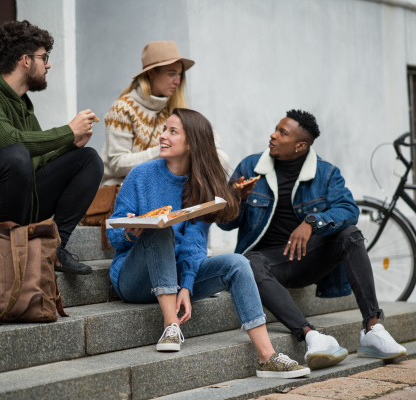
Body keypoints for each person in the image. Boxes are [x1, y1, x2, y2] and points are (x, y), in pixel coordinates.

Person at [106, 108, 310, 378]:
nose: (162, 136)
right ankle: (171, 327)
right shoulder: (141, 175)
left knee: (237, 263)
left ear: (191, 142)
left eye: (172, 131)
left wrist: (187, 286)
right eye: (164, 129)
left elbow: (194, 244)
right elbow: (112, 235)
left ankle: (267, 356)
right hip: (133, 279)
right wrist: (132, 231)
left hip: (178, 276)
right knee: (160, 227)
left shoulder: (202, 185)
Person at [218, 109, 407, 370]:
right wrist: (235, 200)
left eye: (282, 133)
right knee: (247, 263)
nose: (272, 135)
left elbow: (349, 210)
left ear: (300, 145)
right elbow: (225, 225)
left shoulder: (326, 174)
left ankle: (372, 329)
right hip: (267, 263)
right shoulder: (250, 167)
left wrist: (311, 223)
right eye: (275, 129)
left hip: (309, 258)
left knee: (350, 234)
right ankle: (313, 336)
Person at [0, 20, 103, 275]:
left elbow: (35, 162)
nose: (47, 64)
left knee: (88, 158)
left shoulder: (24, 107)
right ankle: (11, 255)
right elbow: (9, 144)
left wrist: (69, 144)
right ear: (26, 60)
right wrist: (67, 131)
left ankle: (56, 248)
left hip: (12, 201)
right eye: (43, 57)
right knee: (15, 153)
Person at [100, 40, 228, 187]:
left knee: (220, 157)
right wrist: (164, 148)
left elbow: (211, 139)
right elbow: (117, 164)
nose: (178, 82)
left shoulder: (175, 107)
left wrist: (201, 140)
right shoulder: (122, 108)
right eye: (172, 74)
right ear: (151, 73)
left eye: (180, 75)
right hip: (124, 188)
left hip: (162, 185)